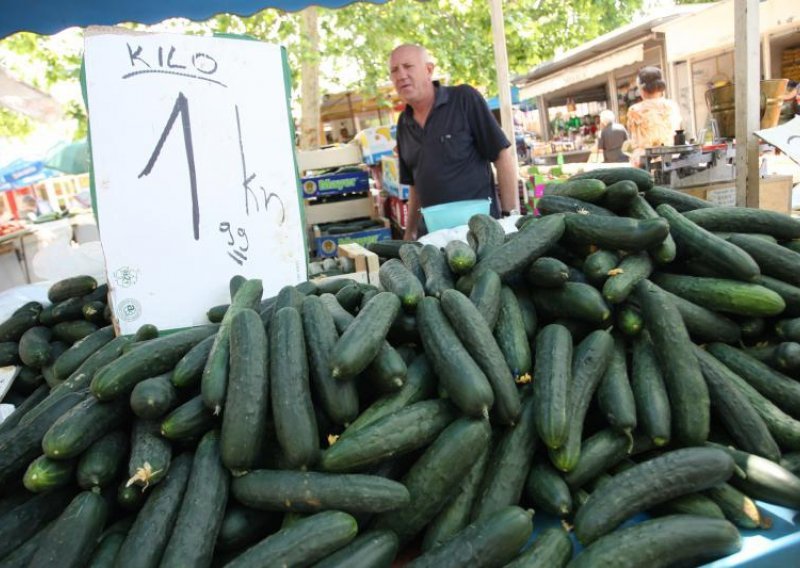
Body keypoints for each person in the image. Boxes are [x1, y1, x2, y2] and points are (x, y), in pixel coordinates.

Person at [389, 44, 519, 239]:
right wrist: (410, 231)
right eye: (394, 70)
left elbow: (501, 155)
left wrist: (510, 217)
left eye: (408, 66)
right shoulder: (403, 123)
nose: (401, 75)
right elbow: (415, 184)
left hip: (480, 235)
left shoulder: (464, 99)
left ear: (428, 69)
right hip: (433, 240)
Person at [626, 66, 682, 167]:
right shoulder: (672, 106)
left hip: (645, 162)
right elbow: (676, 132)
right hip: (671, 158)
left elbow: (635, 141)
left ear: (642, 89)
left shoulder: (635, 110)